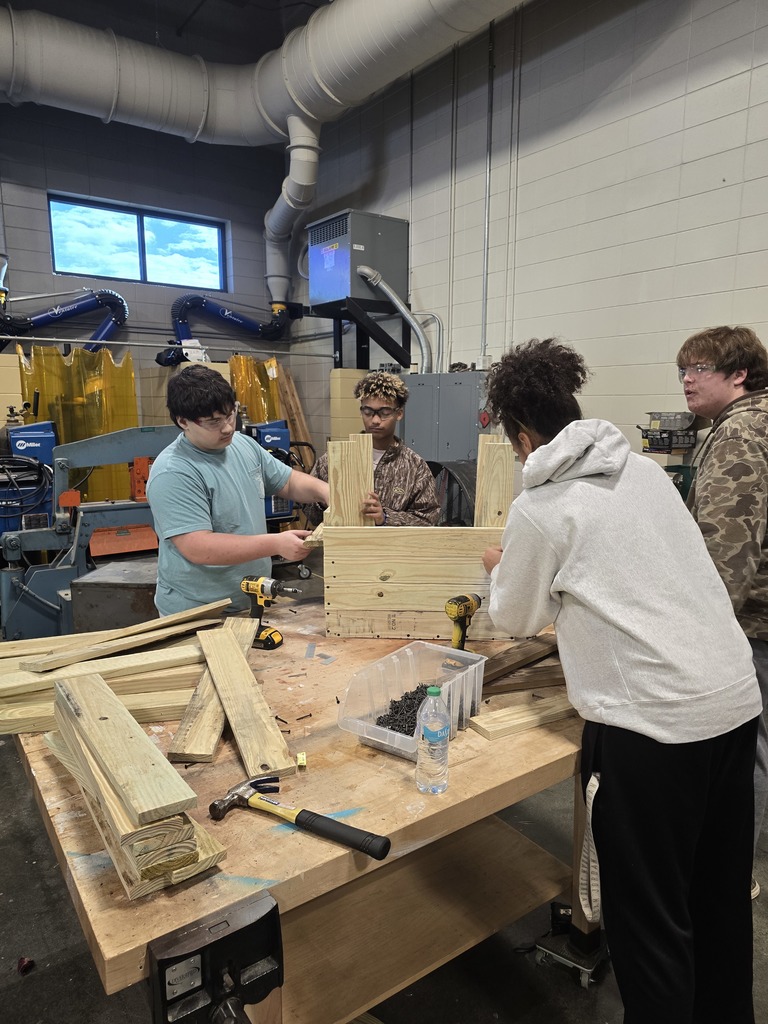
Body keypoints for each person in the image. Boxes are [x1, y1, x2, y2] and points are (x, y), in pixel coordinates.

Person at [481, 338, 760, 1024]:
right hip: (730, 699)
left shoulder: (541, 508)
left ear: (522, 434)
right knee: (717, 903)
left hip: (654, 728)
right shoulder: (639, 471)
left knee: (650, 924)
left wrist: (502, 563)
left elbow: (515, 616)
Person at [677, 325, 768, 900]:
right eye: (682, 369)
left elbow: (726, 550)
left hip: (752, 621)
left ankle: (733, 873)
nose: (687, 379)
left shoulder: (741, 433)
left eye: (699, 369)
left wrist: (694, 632)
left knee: (747, 749)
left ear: (739, 375)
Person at [146, 363, 330, 615]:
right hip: (199, 611)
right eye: (213, 422)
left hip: (250, 599)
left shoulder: (241, 445)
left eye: (230, 414)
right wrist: (275, 543)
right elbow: (198, 547)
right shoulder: (174, 472)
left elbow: (286, 481)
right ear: (183, 421)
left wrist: (326, 491)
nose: (227, 427)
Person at [304, 370, 440, 527]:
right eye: (368, 412)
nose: (375, 420)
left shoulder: (414, 467)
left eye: (385, 412)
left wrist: (385, 518)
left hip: (390, 550)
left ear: (399, 413)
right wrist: (325, 501)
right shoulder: (335, 460)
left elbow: (428, 519)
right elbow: (309, 512)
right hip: (345, 548)